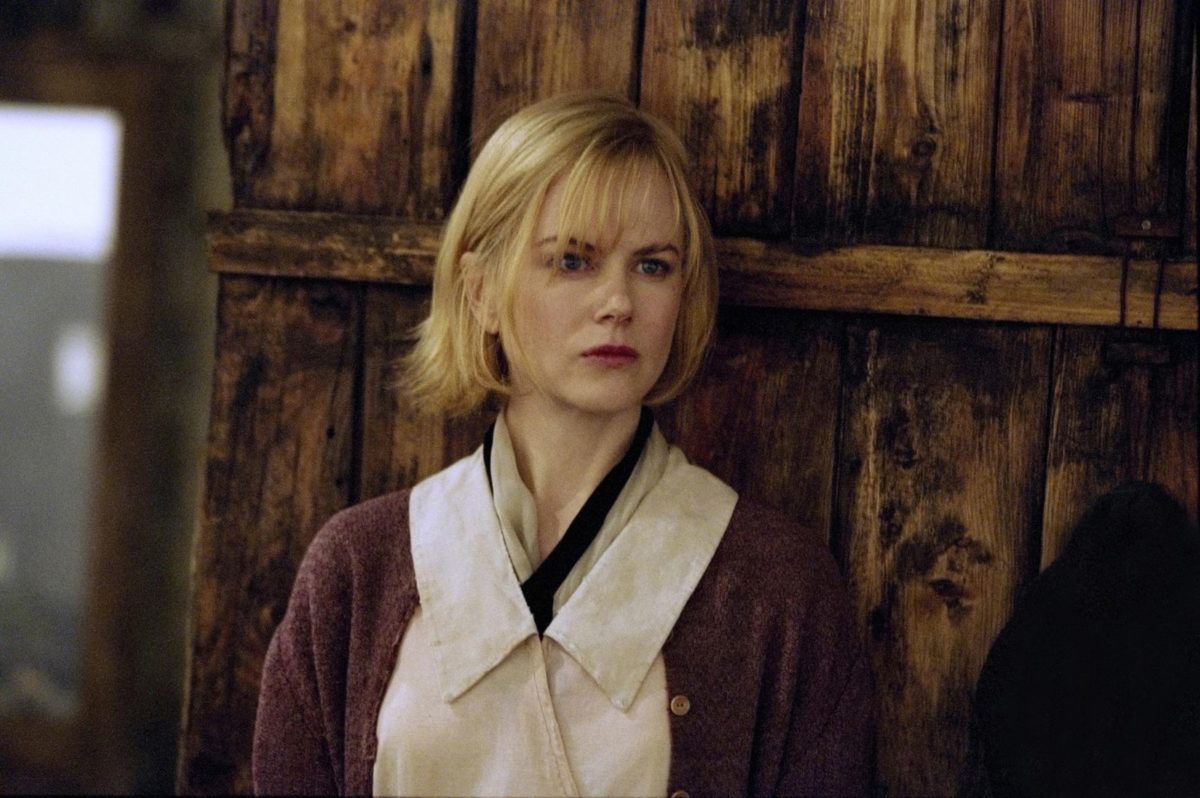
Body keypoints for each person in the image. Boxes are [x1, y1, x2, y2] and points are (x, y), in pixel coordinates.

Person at [253, 92, 874, 796]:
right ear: (481, 291)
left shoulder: (779, 588)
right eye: (573, 261)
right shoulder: (357, 568)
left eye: (653, 266)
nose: (619, 303)